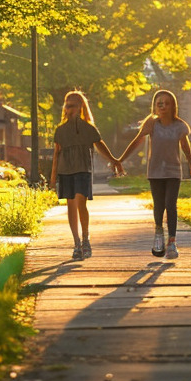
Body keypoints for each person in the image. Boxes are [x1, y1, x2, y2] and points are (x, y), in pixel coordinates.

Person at [120, 89, 191, 260]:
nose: (162, 106)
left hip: (173, 171)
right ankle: (158, 232)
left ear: (172, 106)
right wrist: (121, 159)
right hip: (155, 171)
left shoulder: (180, 126)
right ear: (154, 106)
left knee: (171, 205)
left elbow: (185, 147)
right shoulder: (152, 123)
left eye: (166, 103)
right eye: (159, 103)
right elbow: (137, 141)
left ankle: (172, 242)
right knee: (159, 205)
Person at [51, 90, 121, 260]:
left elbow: (100, 145)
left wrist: (114, 160)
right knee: (70, 205)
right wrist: (53, 178)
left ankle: (85, 238)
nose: (70, 109)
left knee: (81, 203)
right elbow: (56, 154)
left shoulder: (88, 128)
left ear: (81, 107)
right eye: (68, 106)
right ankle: (76, 243)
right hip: (66, 171)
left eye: (74, 105)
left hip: (82, 169)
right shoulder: (60, 130)